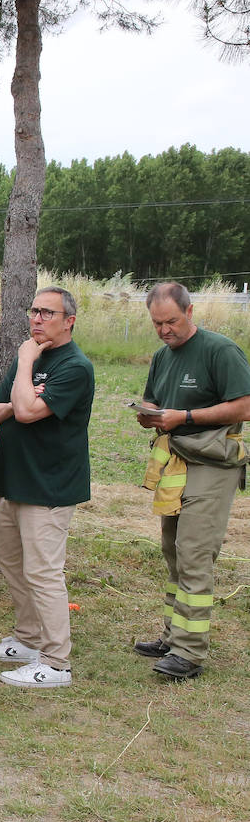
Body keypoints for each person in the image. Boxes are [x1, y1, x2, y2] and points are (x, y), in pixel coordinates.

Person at [132, 282, 250, 679]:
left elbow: (245, 405)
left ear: (191, 312)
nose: (165, 330)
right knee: (173, 551)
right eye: (157, 323)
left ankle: (190, 652)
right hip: (176, 464)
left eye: (172, 321)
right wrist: (147, 412)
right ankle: (171, 636)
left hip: (213, 464)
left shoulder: (221, 350)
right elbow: (154, 398)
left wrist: (184, 418)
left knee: (195, 553)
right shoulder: (163, 357)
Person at [0, 287, 94, 688]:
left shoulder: (74, 366)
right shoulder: (30, 360)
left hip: (50, 487)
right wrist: (21, 397)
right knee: (12, 563)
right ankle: (28, 640)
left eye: (47, 312)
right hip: (15, 483)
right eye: (34, 311)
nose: (37, 318)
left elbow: (27, 412)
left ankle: (57, 662)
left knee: (44, 573)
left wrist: (25, 373)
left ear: (69, 321)